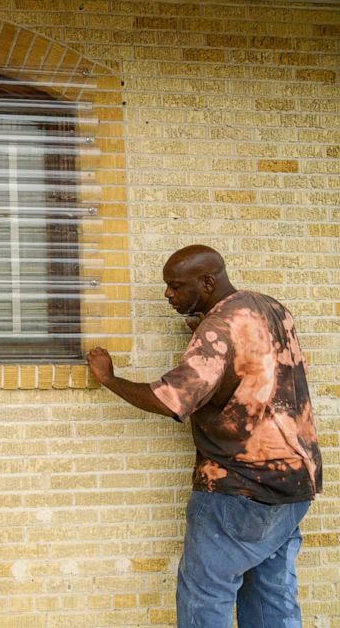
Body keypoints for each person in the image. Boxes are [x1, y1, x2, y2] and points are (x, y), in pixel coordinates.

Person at [85, 245, 321, 628]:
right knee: (271, 595)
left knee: (204, 594)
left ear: (207, 282)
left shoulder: (219, 328)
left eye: (176, 287)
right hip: (295, 482)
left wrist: (109, 379)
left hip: (239, 489)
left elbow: (171, 399)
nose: (168, 295)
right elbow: (257, 374)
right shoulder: (269, 307)